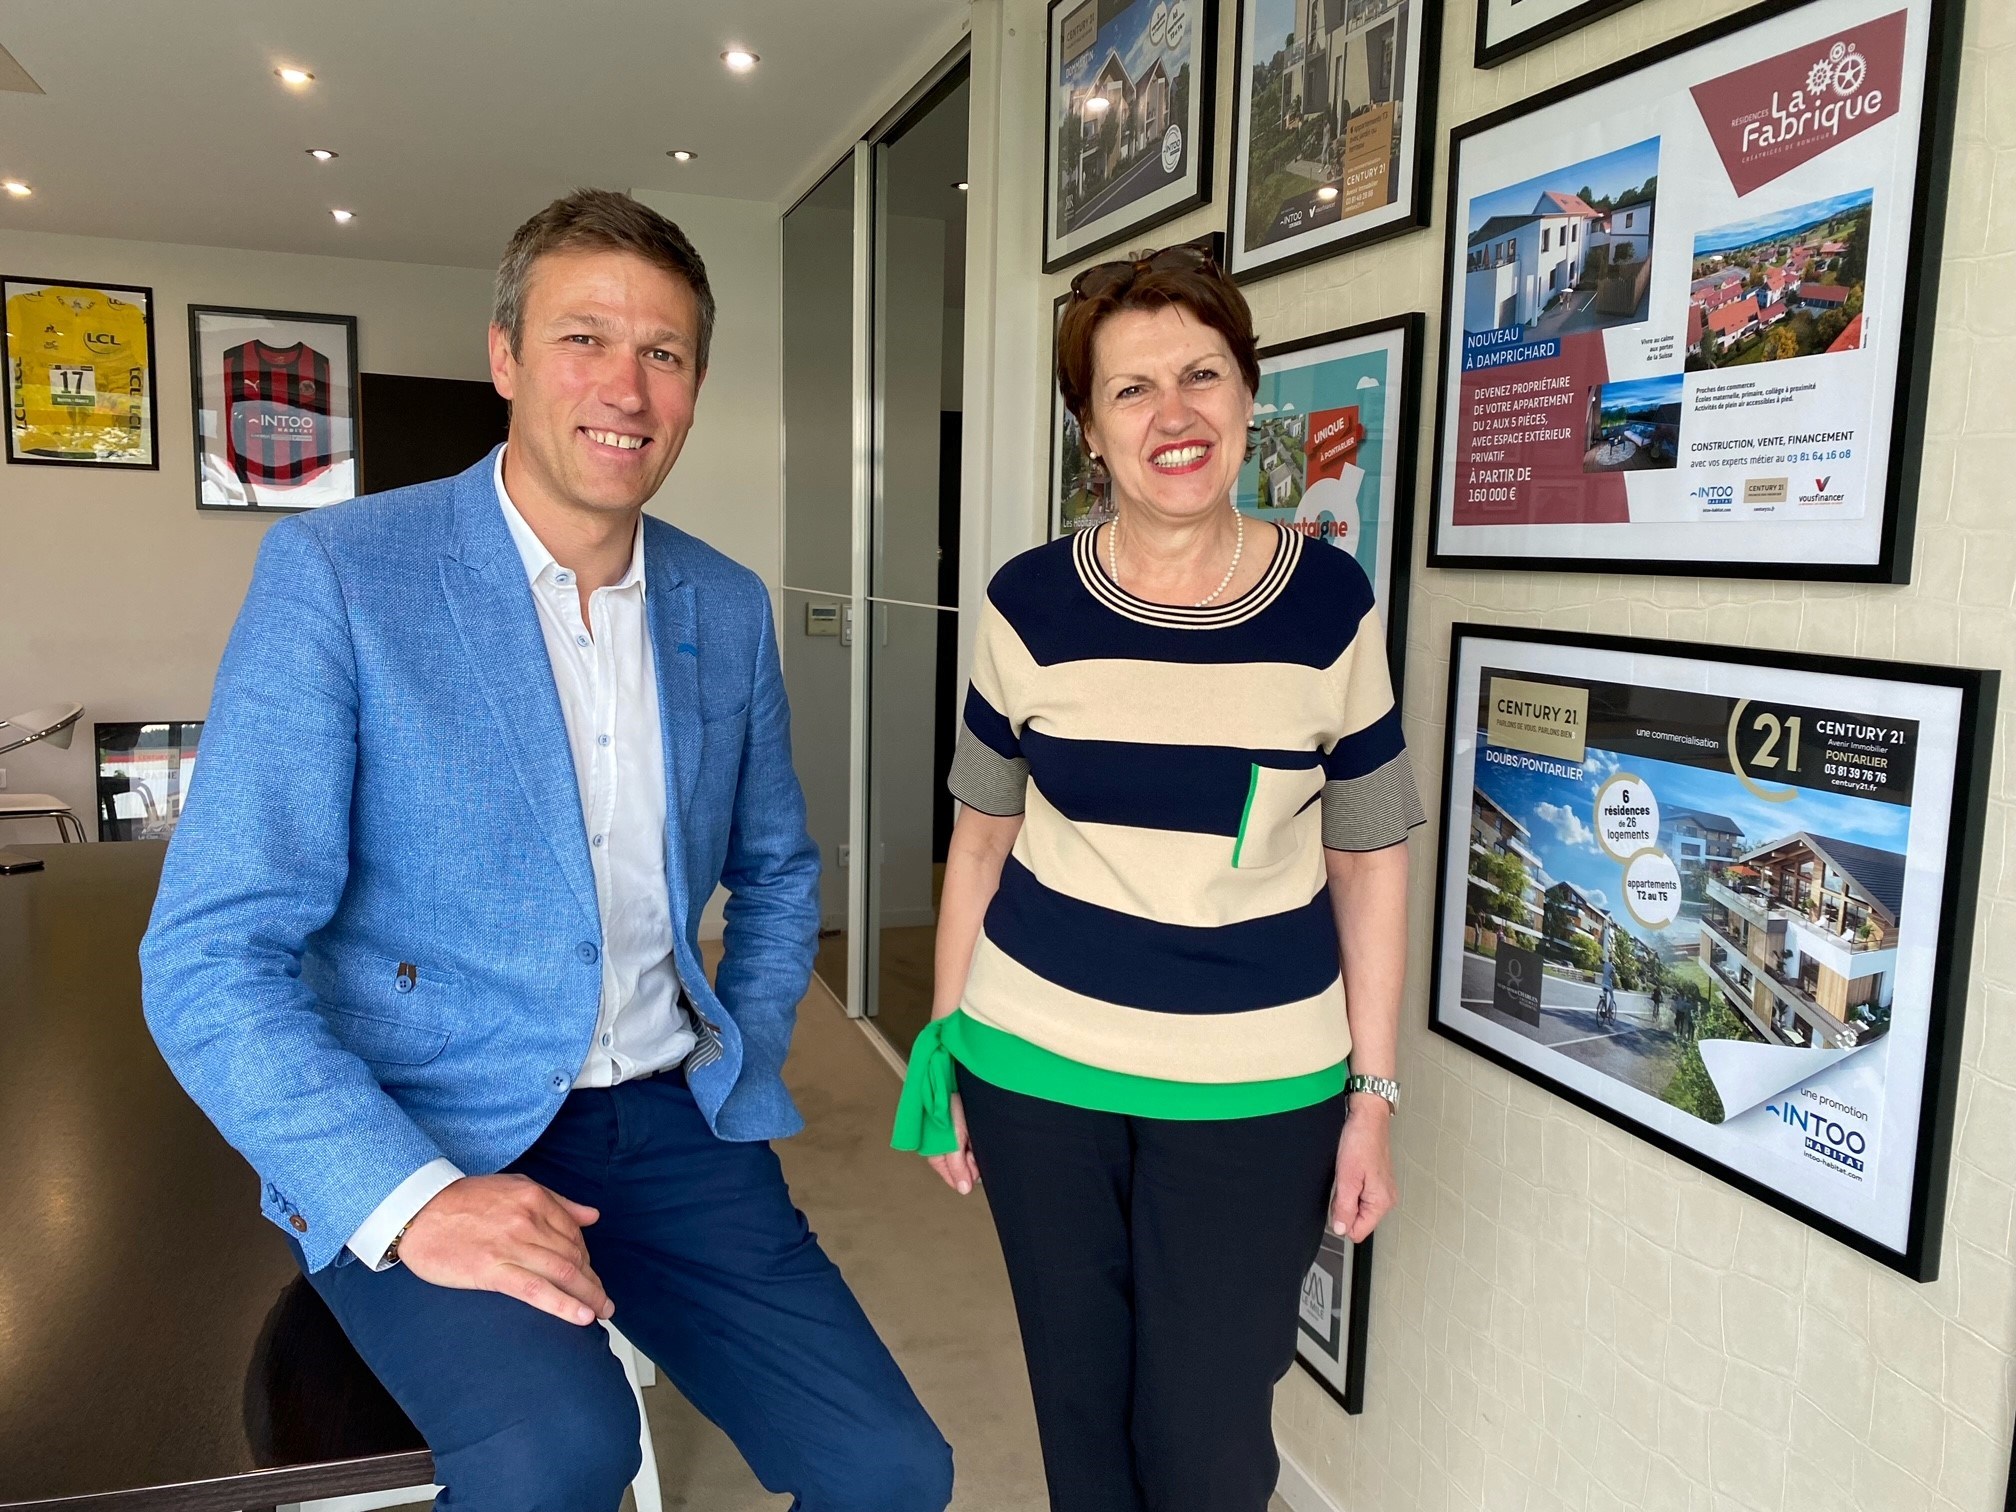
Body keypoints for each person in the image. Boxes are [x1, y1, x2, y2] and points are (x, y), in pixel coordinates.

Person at [142, 189, 951, 1512]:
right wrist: (407, 1197)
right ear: (507, 357)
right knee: (561, 1450)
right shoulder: (340, 575)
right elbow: (211, 954)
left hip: (671, 1120)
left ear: (693, 390)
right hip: (433, 1125)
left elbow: (782, 869)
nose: (624, 386)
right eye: (585, 339)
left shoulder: (726, 606)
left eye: (666, 353)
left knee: (892, 1467)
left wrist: (735, 1065)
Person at [891, 243, 1420, 1511]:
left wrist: (1374, 1095)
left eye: (1200, 375)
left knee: (1206, 1436)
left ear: (1248, 398)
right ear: (1091, 430)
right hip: (1036, 1069)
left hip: (1256, 1087)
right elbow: (979, 837)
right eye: (1131, 390)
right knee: (1081, 1415)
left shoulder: (1331, 608)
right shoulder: (1026, 605)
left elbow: (1371, 853)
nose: (1171, 414)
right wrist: (943, 1047)